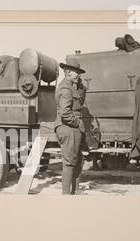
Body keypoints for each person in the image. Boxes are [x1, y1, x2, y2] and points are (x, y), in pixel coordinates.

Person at [54, 59, 87, 195]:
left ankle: (75, 192)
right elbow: (65, 113)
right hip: (68, 127)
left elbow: (78, 104)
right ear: (67, 72)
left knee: (77, 160)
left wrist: (83, 89)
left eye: (79, 72)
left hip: (71, 127)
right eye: (76, 72)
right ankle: (66, 196)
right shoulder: (65, 88)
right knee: (69, 162)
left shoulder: (71, 86)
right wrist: (77, 123)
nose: (78, 74)